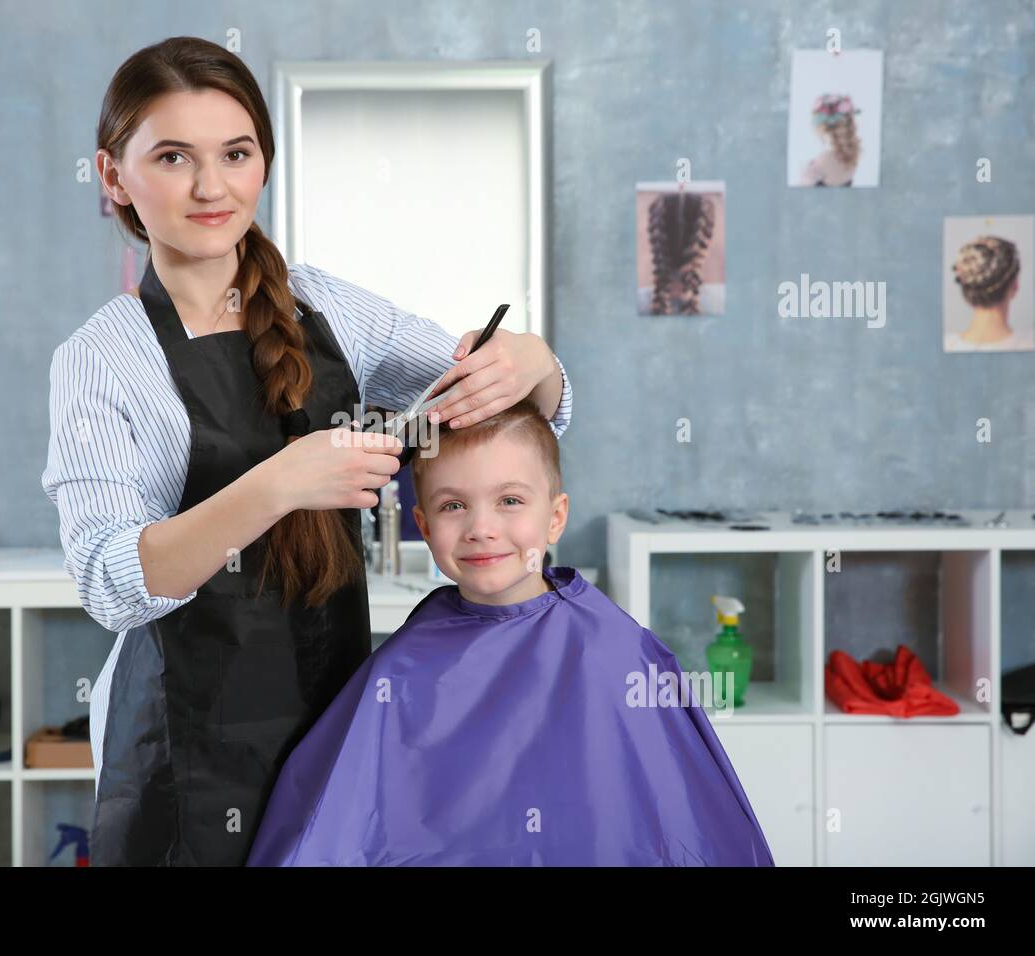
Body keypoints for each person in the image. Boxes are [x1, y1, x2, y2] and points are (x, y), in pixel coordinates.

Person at [40, 36, 574, 866]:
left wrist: (539, 366)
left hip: (336, 724)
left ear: (264, 163)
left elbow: (471, 413)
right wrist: (280, 482)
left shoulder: (328, 308)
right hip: (185, 752)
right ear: (114, 176)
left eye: (237, 153)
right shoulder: (102, 359)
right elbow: (112, 583)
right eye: (174, 156)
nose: (212, 187)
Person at [247, 399, 774, 866]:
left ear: (556, 517)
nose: (481, 527)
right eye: (454, 505)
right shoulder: (402, 666)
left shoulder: (614, 652)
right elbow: (334, 824)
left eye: (510, 501)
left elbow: (672, 823)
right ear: (425, 526)